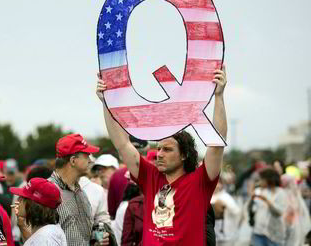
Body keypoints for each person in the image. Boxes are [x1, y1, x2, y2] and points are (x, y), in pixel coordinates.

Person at [96, 65, 228, 245]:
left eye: (167, 149)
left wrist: (219, 97)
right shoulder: (150, 177)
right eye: (158, 149)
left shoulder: (200, 182)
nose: (159, 154)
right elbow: (122, 144)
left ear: (184, 155)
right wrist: (107, 102)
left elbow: (216, 145)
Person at [49, 133, 115, 246]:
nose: (90, 160)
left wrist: (95, 239)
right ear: (73, 160)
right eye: (86, 156)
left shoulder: (81, 192)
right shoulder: (48, 191)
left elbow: (83, 236)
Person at [10, 178, 67, 246]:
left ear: (33, 205)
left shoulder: (45, 238)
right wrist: (22, 225)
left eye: (23, 197)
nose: (18, 200)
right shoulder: (46, 232)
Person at [249, 167, 286, 246]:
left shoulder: (281, 193)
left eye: (262, 179)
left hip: (273, 234)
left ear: (269, 179)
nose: (260, 182)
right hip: (258, 232)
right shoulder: (261, 191)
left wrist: (267, 200)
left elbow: (279, 212)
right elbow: (254, 209)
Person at [211, 178, 240, 246]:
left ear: (221, 185)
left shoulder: (226, 197)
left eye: (218, 183)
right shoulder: (206, 196)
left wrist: (225, 205)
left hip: (226, 235)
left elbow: (236, 211)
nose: (216, 185)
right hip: (211, 234)